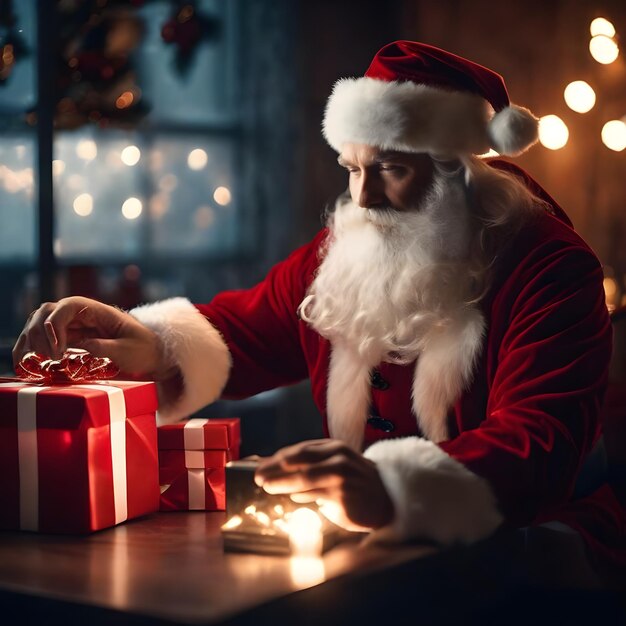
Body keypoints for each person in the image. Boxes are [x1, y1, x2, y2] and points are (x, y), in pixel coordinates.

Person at [13, 41, 625, 580]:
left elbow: (538, 444)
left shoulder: (551, 267)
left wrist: (391, 487)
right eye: (353, 168)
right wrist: (146, 341)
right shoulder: (352, 245)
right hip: (376, 546)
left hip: (531, 548)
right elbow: (246, 329)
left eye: (389, 169)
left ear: (457, 171)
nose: (362, 196)